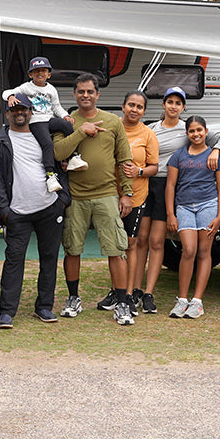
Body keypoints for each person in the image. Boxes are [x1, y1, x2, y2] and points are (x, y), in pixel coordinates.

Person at [51, 73, 135, 324]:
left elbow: (124, 159)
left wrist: (127, 193)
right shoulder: (64, 121)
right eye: (80, 91)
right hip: (75, 196)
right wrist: (80, 132)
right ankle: (73, 298)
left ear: (98, 94)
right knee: (72, 248)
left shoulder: (112, 122)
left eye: (90, 91)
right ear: (74, 94)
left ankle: (121, 303)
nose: (85, 95)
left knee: (116, 249)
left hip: (107, 194)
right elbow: (58, 152)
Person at [138, 87, 220, 314]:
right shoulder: (154, 130)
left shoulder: (188, 130)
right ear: (163, 104)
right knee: (149, 241)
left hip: (194, 198)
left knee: (187, 248)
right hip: (153, 186)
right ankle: (146, 293)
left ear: (183, 107)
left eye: (178, 103)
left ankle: (191, 300)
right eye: (169, 101)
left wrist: (217, 150)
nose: (173, 106)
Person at [0, 96, 69, 328]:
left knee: (49, 258)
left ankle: (44, 307)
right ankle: (6, 312)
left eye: (23, 109)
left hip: (50, 207)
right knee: (14, 261)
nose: (19, 113)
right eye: (14, 110)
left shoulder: (43, 136)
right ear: (7, 115)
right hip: (18, 213)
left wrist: (63, 199)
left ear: (31, 113)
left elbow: (62, 163)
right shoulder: (0, 143)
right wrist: (4, 211)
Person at [164, 116, 220, 319]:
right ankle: (182, 299)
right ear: (187, 134)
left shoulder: (214, 156)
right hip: (184, 207)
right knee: (188, 250)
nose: (196, 134)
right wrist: (170, 214)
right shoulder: (178, 156)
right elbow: (171, 185)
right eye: (192, 131)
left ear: (206, 131)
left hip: (208, 205)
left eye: (199, 130)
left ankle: (197, 301)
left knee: (203, 251)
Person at [2, 56, 83, 193]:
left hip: (49, 119)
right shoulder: (26, 87)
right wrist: (11, 97)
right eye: (36, 70)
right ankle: (50, 176)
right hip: (36, 121)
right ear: (30, 74)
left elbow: (57, 107)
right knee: (48, 144)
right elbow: (6, 92)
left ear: (49, 74)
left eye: (43, 70)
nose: (40, 73)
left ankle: (72, 157)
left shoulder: (51, 89)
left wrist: (65, 116)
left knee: (67, 126)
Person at [118, 90, 160, 316]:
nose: (134, 110)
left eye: (139, 107)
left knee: (130, 244)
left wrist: (139, 170)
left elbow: (155, 166)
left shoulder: (148, 134)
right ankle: (117, 290)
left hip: (136, 196)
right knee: (114, 246)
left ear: (144, 111)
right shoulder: (114, 127)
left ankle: (129, 292)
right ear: (123, 106)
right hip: (110, 195)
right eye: (131, 105)